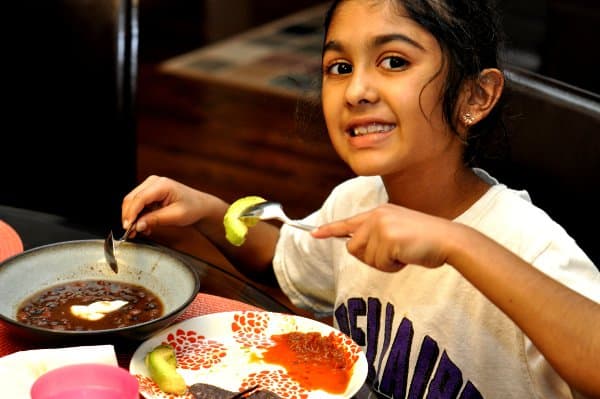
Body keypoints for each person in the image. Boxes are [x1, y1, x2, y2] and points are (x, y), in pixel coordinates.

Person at [121, 0, 600, 397]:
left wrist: (459, 244)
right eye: (340, 67)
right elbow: (283, 260)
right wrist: (208, 211)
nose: (357, 90)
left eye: (394, 61)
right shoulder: (356, 200)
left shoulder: (529, 243)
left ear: (475, 96)